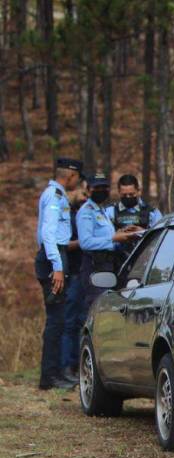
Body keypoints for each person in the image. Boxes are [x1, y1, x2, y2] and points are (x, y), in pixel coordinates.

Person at [35, 158, 84, 390]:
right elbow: (48, 232)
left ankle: (52, 375)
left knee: (59, 317)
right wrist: (57, 266)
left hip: (55, 256)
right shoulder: (55, 196)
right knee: (56, 320)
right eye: (77, 177)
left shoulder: (57, 194)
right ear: (71, 175)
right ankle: (50, 377)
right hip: (53, 257)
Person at [77, 173, 137, 310]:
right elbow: (85, 242)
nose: (101, 191)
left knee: (109, 309)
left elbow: (105, 237)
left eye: (104, 187)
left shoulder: (101, 210)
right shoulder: (87, 212)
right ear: (88, 190)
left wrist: (121, 235)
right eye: (96, 188)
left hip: (108, 265)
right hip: (95, 266)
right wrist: (113, 239)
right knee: (99, 309)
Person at [60, 184, 88, 379]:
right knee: (68, 322)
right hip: (71, 273)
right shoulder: (67, 216)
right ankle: (66, 367)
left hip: (83, 272)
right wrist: (85, 240)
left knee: (80, 321)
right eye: (84, 193)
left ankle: (77, 366)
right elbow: (62, 244)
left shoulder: (81, 213)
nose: (86, 197)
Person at [105, 174, 161, 262]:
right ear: (119, 192)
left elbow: (161, 238)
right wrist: (118, 234)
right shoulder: (109, 212)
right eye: (124, 195)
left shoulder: (152, 212)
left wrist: (143, 232)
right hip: (115, 260)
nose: (128, 197)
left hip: (145, 260)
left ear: (138, 191)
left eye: (131, 194)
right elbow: (101, 238)